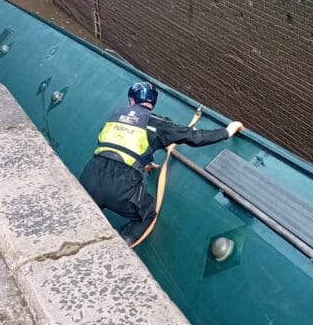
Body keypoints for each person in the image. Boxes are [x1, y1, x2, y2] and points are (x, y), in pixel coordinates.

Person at [78, 82, 244, 245]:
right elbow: (196, 137)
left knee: (85, 211)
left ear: (131, 100)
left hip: (89, 176)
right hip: (120, 189)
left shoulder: (115, 116)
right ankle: (122, 244)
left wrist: (143, 162)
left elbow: (116, 146)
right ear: (153, 103)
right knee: (148, 213)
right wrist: (227, 131)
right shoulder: (159, 123)